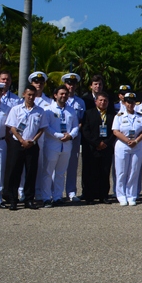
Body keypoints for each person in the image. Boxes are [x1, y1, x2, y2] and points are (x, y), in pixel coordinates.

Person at [3, 86, 49, 210]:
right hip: (17, 144)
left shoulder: (40, 111)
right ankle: (13, 199)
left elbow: (42, 128)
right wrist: (21, 140)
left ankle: (29, 199)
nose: (31, 97)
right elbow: (12, 127)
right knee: (14, 172)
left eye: (33, 95)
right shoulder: (16, 109)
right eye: (28, 94)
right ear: (24, 94)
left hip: (32, 144)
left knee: (31, 172)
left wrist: (33, 141)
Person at [39, 85, 80, 207]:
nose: (64, 96)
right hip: (52, 144)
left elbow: (76, 126)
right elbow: (46, 127)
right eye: (61, 94)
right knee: (48, 172)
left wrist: (71, 135)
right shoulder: (48, 109)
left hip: (66, 144)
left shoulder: (71, 110)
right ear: (55, 95)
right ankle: (46, 197)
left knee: (61, 172)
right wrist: (58, 135)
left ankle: (57, 196)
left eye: (66, 94)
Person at [112, 92, 142, 206]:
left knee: (134, 171)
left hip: (137, 145)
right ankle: (121, 195)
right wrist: (127, 141)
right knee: (121, 171)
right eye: (128, 102)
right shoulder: (119, 116)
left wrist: (136, 141)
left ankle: (131, 195)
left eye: (132, 102)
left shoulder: (140, 116)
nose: (130, 105)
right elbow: (116, 131)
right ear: (124, 103)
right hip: (123, 145)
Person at [80, 91, 115, 204]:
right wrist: (96, 143)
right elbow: (85, 130)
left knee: (104, 172)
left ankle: (103, 195)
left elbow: (114, 131)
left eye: (105, 100)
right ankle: (89, 196)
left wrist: (105, 143)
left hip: (106, 147)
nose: (103, 102)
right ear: (96, 101)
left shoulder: (112, 115)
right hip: (91, 148)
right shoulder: (88, 113)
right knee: (90, 172)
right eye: (100, 100)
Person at [60, 73, 86, 202]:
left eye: (73, 84)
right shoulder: (59, 100)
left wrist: (72, 133)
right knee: (57, 165)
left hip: (74, 137)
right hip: (58, 137)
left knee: (72, 165)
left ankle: (71, 191)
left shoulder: (80, 102)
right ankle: (56, 191)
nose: (71, 86)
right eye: (69, 83)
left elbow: (82, 120)